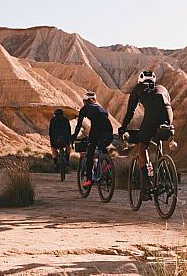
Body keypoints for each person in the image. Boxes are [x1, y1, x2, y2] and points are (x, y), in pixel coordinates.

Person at [118, 70, 173, 199]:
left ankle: (146, 185)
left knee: (142, 146)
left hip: (152, 116)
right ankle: (163, 172)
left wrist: (123, 127)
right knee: (158, 135)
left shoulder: (138, 88)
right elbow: (166, 104)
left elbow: (130, 111)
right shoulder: (162, 88)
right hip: (169, 115)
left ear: (140, 80)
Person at [71, 91, 114, 188]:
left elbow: (79, 125)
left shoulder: (85, 108)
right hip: (109, 131)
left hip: (96, 131)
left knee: (90, 152)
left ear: (84, 101)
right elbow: (103, 121)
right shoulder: (101, 108)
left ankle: (89, 180)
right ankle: (108, 165)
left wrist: (74, 136)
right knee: (102, 146)